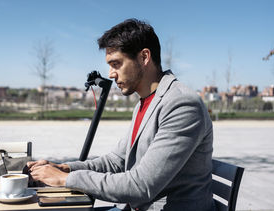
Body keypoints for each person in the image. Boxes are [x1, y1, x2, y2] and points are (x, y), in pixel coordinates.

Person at [27, 18, 215, 211]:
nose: (111, 74)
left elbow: (141, 186)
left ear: (144, 57)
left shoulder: (181, 104)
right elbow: (117, 160)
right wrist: (67, 168)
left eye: (116, 64)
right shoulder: (145, 102)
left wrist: (66, 179)